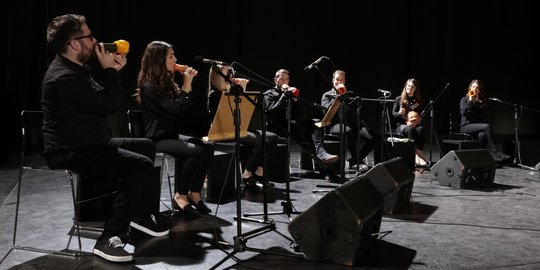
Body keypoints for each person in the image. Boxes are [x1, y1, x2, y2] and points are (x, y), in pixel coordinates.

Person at [42, 14, 169, 263]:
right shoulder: (63, 77)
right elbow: (111, 104)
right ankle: (111, 236)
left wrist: (113, 71)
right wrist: (110, 70)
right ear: (75, 44)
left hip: (92, 142)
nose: (95, 40)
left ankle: (139, 215)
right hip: (70, 150)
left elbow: (100, 99)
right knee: (140, 165)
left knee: (145, 145)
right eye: (89, 36)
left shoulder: (76, 69)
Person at [136, 41, 215, 216]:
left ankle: (195, 194)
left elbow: (183, 108)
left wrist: (188, 85)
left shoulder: (166, 82)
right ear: (158, 61)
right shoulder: (149, 86)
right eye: (171, 56)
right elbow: (175, 109)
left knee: (208, 147)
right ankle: (180, 195)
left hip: (170, 134)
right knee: (195, 151)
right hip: (156, 138)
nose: (175, 59)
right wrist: (186, 85)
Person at [207, 65, 279, 189]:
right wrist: (242, 91)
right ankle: (247, 174)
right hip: (223, 131)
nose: (230, 76)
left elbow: (244, 114)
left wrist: (242, 90)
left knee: (273, 137)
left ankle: (258, 171)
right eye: (227, 73)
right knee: (263, 142)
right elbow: (223, 118)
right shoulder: (214, 94)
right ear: (217, 76)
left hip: (237, 129)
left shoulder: (230, 89)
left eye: (230, 74)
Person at [264, 69, 338, 165]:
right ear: (275, 80)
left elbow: (300, 114)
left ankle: (321, 155)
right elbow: (271, 112)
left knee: (316, 122)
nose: (284, 81)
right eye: (281, 79)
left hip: (292, 123)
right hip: (277, 125)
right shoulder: (269, 93)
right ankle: (322, 161)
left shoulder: (290, 93)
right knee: (311, 136)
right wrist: (283, 96)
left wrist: (295, 100)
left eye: (286, 79)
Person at [321, 70, 376, 172]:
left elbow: (357, 111)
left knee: (372, 137)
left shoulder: (350, 95)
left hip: (352, 124)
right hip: (334, 125)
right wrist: (336, 99)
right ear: (333, 80)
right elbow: (325, 112)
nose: (339, 82)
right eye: (337, 79)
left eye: (341, 80)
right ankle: (357, 162)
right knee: (348, 131)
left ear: (344, 81)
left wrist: (352, 100)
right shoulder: (327, 95)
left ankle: (353, 161)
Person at [459, 79, 510, 162]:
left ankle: (477, 156)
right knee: (487, 126)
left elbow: (482, 116)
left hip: (476, 127)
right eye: (473, 86)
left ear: (479, 90)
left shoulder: (480, 102)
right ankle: (497, 153)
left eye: (477, 88)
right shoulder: (464, 99)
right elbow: (464, 112)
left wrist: (479, 102)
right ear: (470, 88)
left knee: (483, 135)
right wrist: (471, 100)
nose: (474, 89)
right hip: (465, 126)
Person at [392, 78, 427, 165]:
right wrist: (399, 113)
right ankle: (415, 156)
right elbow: (393, 114)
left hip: (413, 125)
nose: (409, 88)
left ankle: (419, 153)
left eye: (412, 87)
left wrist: (418, 121)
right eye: (408, 86)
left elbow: (420, 116)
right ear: (405, 86)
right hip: (401, 125)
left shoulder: (417, 101)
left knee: (421, 129)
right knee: (409, 130)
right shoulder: (399, 99)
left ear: (415, 89)